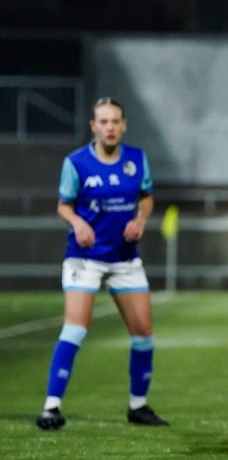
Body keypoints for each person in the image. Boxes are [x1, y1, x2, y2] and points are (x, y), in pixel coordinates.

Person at [36, 98, 168, 430]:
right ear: (93, 126)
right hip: (86, 258)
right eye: (103, 122)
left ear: (124, 125)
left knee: (143, 334)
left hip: (125, 258)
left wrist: (141, 219)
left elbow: (146, 197)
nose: (110, 127)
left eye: (115, 121)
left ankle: (138, 406)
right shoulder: (76, 162)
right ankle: (51, 407)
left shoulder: (136, 160)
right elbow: (63, 206)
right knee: (76, 327)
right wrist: (77, 222)